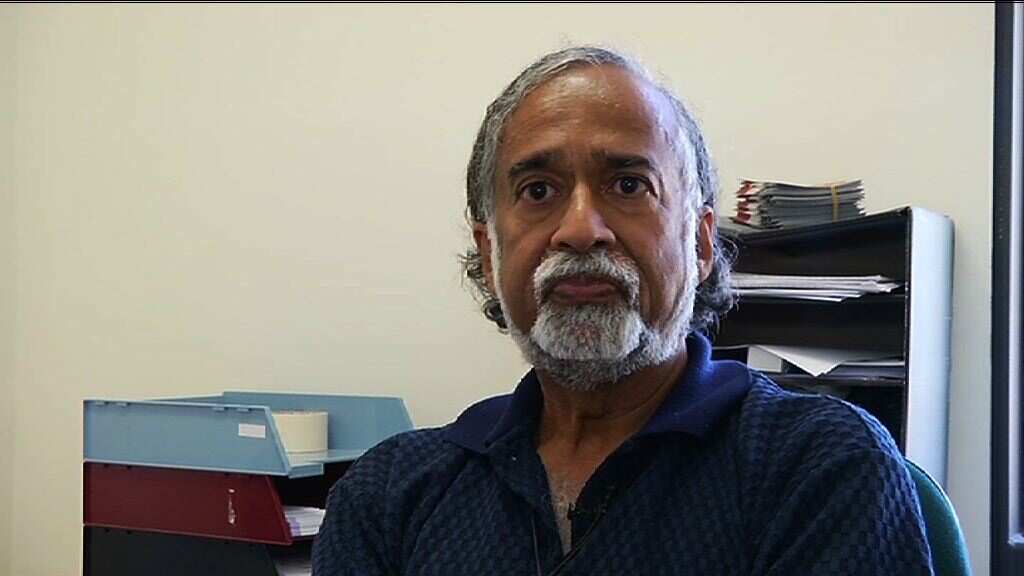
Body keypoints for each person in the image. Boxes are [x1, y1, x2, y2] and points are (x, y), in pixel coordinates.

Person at [312, 46, 933, 575]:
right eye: (538, 191)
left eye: (629, 185)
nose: (581, 231)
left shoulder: (820, 467)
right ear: (490, 251)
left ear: (700, 243)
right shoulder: (388, 496)